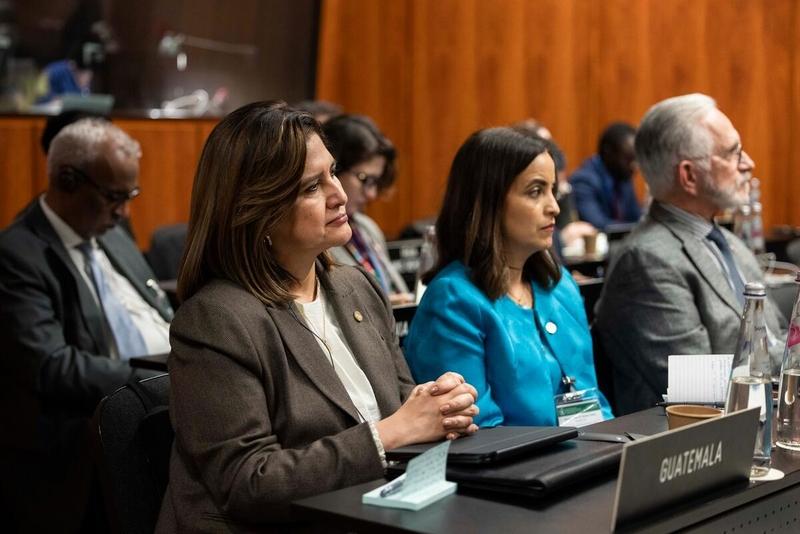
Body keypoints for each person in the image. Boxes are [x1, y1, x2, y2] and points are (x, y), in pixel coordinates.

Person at [156, 102, 479, 531]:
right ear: (257, 209)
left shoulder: (354, 287)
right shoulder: (216, 319)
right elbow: (247, 483)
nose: (339, 194)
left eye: (333, 172)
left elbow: (401, 407)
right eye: (312, 187)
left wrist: (439, 408)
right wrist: (389, 436)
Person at [0, 118, 173, 532]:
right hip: (87, 432)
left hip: (165, 393)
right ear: (66, 179)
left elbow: (156, 307)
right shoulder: (18, 254)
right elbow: (51, 366)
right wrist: (152, 379)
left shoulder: (111, 233)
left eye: (131, 194)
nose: (125, 211)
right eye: (114, 196)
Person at [403, 127, 613, 427]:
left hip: (588, 457)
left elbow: (591, 404)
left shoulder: (559, 285)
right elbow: (481, 433)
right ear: (488, 201)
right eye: (535, 191)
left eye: (553, 190)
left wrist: (613, 449)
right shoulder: (452, 301)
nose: (554, 207)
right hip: (521, 470)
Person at [595, 94, 787, 414]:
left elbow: (776, 337)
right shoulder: (647, 261)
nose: (748, 163)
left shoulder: (731, 243)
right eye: (733, 153)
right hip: (704, 444)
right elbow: (700, 390)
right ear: (689, 176)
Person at [324, 114, 413, 304]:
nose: (372, 195)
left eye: (376, 182)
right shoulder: (315, 235)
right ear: (333, 170)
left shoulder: (367, 227)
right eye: (365, 179)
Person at [570, 122, 641, 230]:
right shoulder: (583, 181)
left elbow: (636, 218)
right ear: (608, 152)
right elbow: (598, 224)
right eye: (628, 159)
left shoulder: (623, 177)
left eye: (636, 159)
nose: (634, 166)